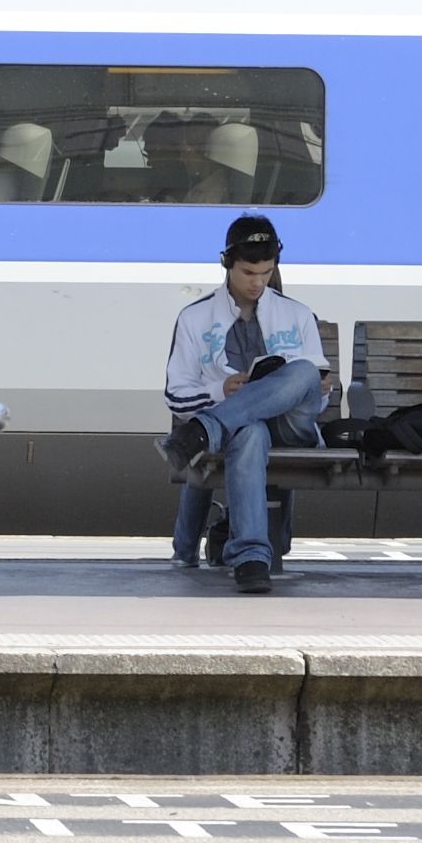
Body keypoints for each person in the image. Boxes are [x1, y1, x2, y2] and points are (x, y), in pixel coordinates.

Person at [157, 213, 325, 595]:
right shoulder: (195, 318)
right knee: (248, 430)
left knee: (303, 372)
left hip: (292, 424)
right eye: (249, 272)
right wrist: (222, 391)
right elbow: (175, 392)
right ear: (227, 264)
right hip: (244, 430)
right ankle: (251, 558)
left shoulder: (297, 314)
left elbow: (319, 388)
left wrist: (276, 388)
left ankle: (205, 430)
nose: (258, 282)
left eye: (266, 272)